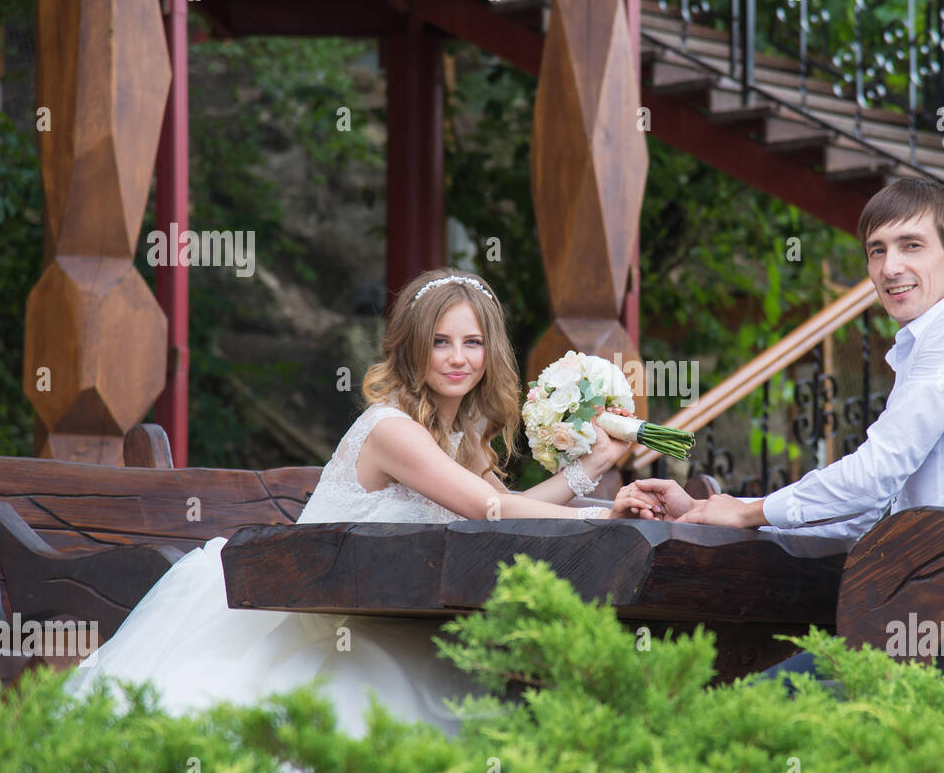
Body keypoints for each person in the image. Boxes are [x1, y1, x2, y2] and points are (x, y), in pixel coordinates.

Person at [65, 269, 664, 739]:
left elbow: (505, 506)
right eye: (441, 342)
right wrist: (600, 514)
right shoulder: (391, 429)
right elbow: (494, 512)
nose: (459, 357)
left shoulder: (462, 439)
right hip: (316, 614)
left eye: (473, 342)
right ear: (412, 348)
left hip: (394, 608)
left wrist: (593, 467)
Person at [630, 178, 944, 678]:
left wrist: (749, 511)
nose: (889, 267)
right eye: (876, 250)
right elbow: (874, 510)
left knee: (763, 714)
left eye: (911, 245)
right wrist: (712, 512)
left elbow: (873, 476)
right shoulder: (942, 337)